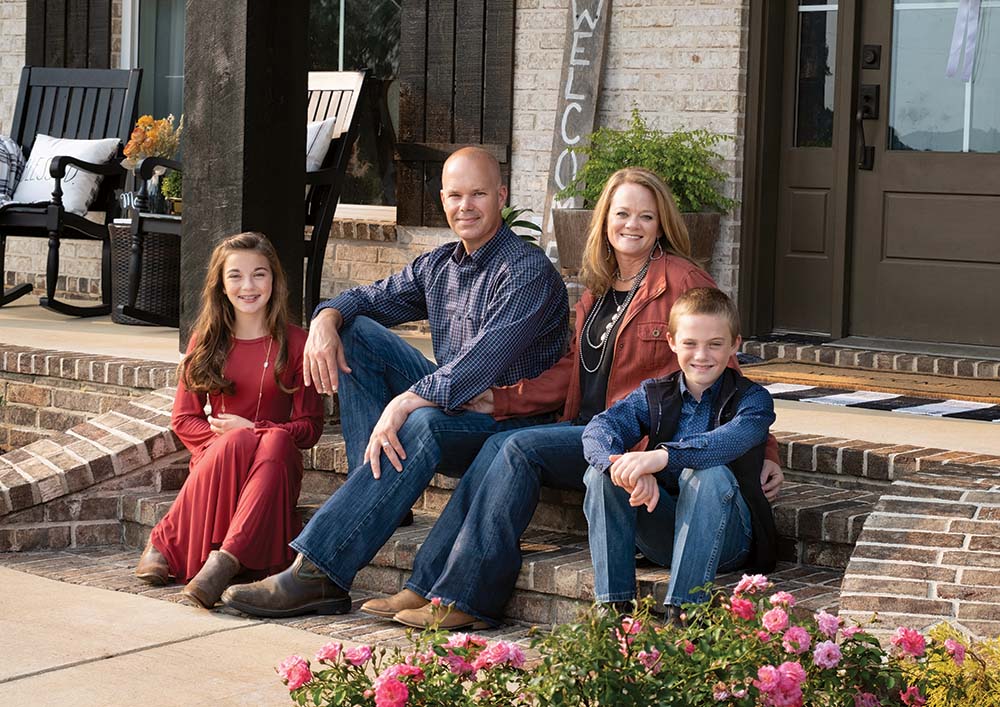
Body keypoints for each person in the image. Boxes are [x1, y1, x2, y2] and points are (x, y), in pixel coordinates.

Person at [360, 167, 783, 631]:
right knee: (501, 442)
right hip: (597, 433)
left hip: (644, 442)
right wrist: (498, 401)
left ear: (661, 224)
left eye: (646, 216)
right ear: (604, 221)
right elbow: (570, 372)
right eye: (622, 214)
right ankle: (428, 585)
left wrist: (764, 452)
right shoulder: (599, 291)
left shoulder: (680, 279)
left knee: (518, 447)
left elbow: (727, 370)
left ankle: (467, 598)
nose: (632, 225)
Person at [220, 146, 569, 618]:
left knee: (421, 423)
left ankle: (317, 572)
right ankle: (379, 485)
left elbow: (479, 366)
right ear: (442, 199)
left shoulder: (526, 271)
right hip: (454, 408)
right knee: (357, 331)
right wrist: (325, 320)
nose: (465, 206)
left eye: (478, 194)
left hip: (507, 420)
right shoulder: (439, 265)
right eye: (455, 195)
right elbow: (363, 298)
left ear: (501, 196)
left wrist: (405, 402)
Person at [134, 232, 324, 609]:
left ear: (274, 280)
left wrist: (255, 431)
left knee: (277, 441)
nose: (248, 286)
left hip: (275, 466)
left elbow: (309, 427)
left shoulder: (299, 343)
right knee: (237, 442)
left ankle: (213, 555)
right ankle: (194, 548)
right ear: (221, 285)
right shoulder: (206, 340)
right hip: (220, 461)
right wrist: (232, 439)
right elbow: (185, 419)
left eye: (259, 274)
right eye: (235, 276)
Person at [582, 287, 777, 618]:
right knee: (600, 473)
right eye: (690, 344)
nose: (702, 355)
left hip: (727, 540)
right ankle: (613, 610)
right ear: (672, 342)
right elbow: (599, 430)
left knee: (708, 472)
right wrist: (627, 471)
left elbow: (724, 442)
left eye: (715, 344)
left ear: (734, 345)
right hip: (663, 531)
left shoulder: (753, 400)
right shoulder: (655, 394)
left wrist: (661, 457)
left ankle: (684, 614)